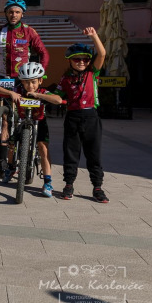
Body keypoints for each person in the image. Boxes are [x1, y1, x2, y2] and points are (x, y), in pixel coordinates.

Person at [0, 0, 50, 176]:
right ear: (6, 13)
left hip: (25, 79)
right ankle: (4, 159)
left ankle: (29, 142)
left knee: (27, 113)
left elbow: (43, 52)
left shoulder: (29, 32)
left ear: (22, 14)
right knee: (5, 118)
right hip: (4, 78)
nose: (14, 15)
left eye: (17, 12)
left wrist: (40, 72)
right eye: (11, 12)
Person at [51, 28, 108, 203]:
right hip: (73, 118)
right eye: (77, 59)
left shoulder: (93, 73)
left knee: (94, 154)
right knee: (71, 153)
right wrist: (37, 95)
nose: (81, 62)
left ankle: (97, 187)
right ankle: (69, 184)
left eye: (85, 59)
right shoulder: (65, 78)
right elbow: (57, 96)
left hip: (91, 117)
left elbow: (102, 53)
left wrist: (94, 36)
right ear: (70, 61)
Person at [0, 62, 62, 197]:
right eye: (26, 83)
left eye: (34, 82)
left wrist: (40, 96)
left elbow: (58, 100)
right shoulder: (19, 90)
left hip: (39, 122)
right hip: (22, 121)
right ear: (22, 82)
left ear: (40, 80)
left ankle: (47, 182)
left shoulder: (42, 91)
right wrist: (11, 92)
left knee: (43, 148)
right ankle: (11, 168)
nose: (30, 86)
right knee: (12, 144)